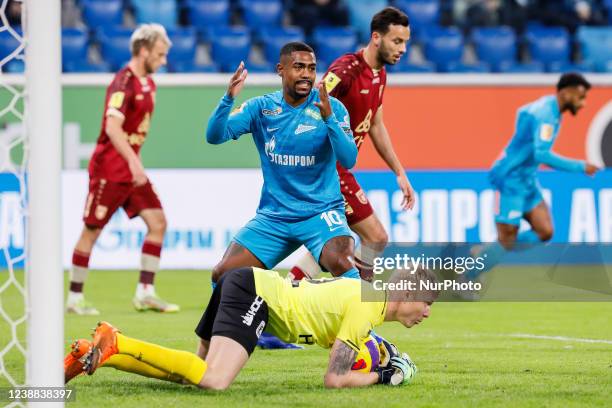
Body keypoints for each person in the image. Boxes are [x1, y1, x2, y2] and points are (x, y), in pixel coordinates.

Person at [64, 267, 437, 389]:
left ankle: (101, 355)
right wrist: (385, 376)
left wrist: (375, 351)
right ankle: (118, 340)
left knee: (190, 375)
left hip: (245, 283)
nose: (427, 313)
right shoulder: (368, 306)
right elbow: (334, 380)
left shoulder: (365, 301)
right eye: (427, 303)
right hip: (255, 293)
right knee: (215, 380)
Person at [290, 7, 416, 282]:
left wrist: (399, 171)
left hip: (338, 169)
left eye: (406, 42)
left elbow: (376, 125)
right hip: (327, 170)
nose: (403, 49)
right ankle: (358, 304)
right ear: (376, 37)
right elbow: (309, 107)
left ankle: (294, 285)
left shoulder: (379, 75)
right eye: (397, 41)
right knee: (376, 237)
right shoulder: (345, 70)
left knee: (335, 241)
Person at [65, 24, 179, 315]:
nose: (164, 61)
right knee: (92, 230)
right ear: (143, 51)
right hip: (110, 170)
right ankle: (74, 299)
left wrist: (134, 165)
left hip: (131, 171)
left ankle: (145, 293)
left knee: (158, 223)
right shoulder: (122, 83)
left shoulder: (148, 83)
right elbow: (111, 127)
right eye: (160, 54)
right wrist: (134, 162)